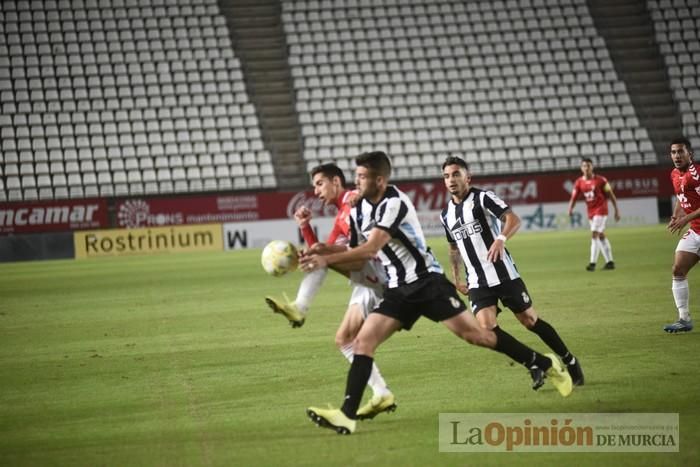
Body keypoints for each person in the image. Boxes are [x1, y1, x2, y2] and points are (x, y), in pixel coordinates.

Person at [301, 151, 573, 435]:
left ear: (379, 180)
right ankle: (347, 416)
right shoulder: (358, 210)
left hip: (428, 283)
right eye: (355, 176)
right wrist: (320, 250)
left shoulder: (395, 203)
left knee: (478, 336)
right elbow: (356, 256)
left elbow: (371, 248)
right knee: (362, 343)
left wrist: (326, 259)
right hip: (398, 289)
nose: (355, 183)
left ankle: (542, 362)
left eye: (361, 177)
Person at [264, 163, 396, 419]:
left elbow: (380, 198)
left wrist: (362, 197)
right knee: (344, 340)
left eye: (319, 184)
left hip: (382, 272)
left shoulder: (355, 200)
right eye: (314, 186)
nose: (316, 191)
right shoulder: (340, 217)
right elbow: (324, 249)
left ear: (336, 181)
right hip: (366, 281)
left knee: (319, 256)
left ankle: (300, 308)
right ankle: (382, 394)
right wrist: (304, 227)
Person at [440, 156, 584, 387]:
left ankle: (570, 359)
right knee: (486, 329)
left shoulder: (483, 198)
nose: (451, 180)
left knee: (529, 321)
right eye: (446, 176)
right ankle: (533, 363)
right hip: (477, 280)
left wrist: (500, 239)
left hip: (503, 273)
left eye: (456, 174)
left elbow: (513, 219)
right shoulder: (445, 214)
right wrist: (456, 278)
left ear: (468, 177)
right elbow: (453, 248)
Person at [665, 137, 698, 333]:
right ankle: (684, 319)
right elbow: (681, 197)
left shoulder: (697, 174)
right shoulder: (674, 174)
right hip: (695, 231)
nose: (677, 156)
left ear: (689, 154)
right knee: (678, 270)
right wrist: (677, 215)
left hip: (693, 225)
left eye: (680, 151)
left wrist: (685, 219)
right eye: (674, 152)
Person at [567, 158, 621, 271]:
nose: (586, 168)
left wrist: (617, 210)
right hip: (591, 212)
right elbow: (574, 197)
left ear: (592, 167)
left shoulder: (601, 180)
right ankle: (610, 262)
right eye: (584, 166)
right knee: (600, 235)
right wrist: (570, 208)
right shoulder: (579, 182)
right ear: (581, 168)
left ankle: (592, 263)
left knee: (594, 234)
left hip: (601, 210)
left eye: (588, 166)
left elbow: (611, 195)